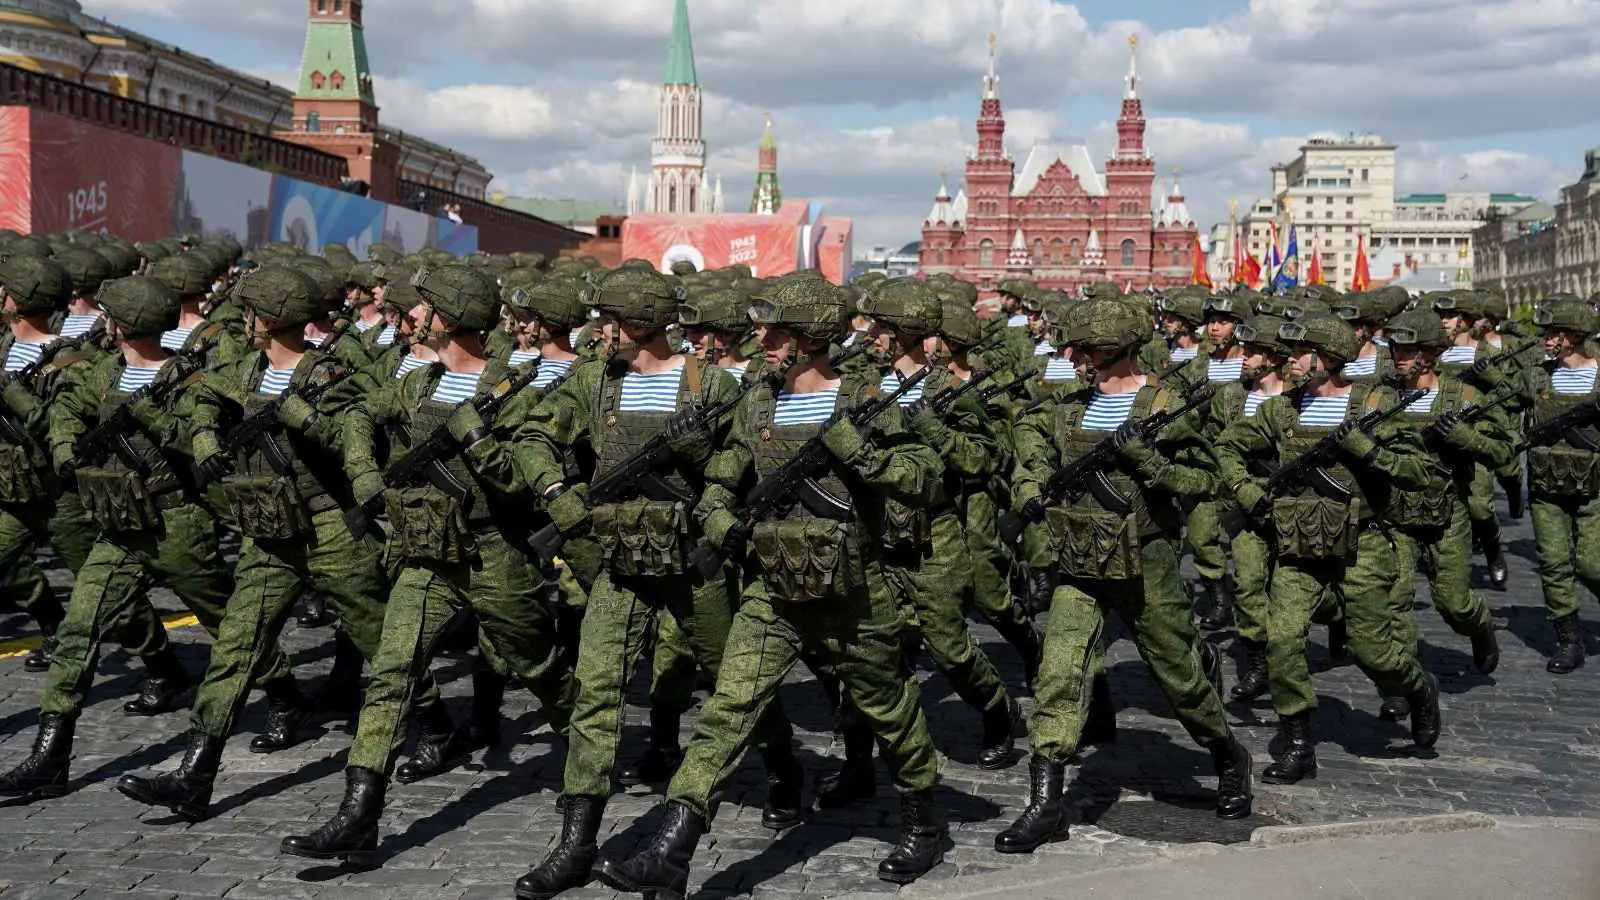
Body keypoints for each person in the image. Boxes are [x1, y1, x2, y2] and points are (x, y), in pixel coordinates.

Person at [589, 273, 949, 898]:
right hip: (772, 590)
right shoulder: (758, 398)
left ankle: (923, 820)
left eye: (775, 330)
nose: (761, 339)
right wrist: (723, 521)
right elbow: (724, 480)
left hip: (853, 592)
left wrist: (860, 456)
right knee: (728, 710)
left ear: (810, 338)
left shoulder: (867, 396)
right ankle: (671, 850)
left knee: (886, 707)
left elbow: (925, 478)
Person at [510, 267, 800, 900]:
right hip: (620, 565)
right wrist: (555, 490)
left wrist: (705, 466)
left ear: (636, 323)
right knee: (594, 695)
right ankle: (576, 843)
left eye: (607, 321)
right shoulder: (594, 381)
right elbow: (533, 434)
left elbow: (751, 460)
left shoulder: (712, 385)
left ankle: (781, 766)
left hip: (692, 567)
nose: (597, 332)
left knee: (736, 680)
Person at [280, 264, 575, 867]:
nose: (416, 316)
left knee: (539, 666)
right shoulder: (424, 382)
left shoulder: (516, 388)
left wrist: (478, 442)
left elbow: (519, 475)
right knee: (391, 672)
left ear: (452, 318)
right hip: (427, 552)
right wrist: (363, 471)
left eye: (427, 309)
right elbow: (360, 413)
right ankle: (359, 813)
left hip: (494, 554)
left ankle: (588, 743)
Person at [113, 265, 393, 821]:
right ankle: (196, 772)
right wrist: (203, 433)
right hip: (270, 531)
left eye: (250, 312)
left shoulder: (332, 374)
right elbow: (202, 399)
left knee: (380, 642)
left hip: (329, 526)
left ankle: (432, 722)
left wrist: (299, 413)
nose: (244, 320)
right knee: (237, 645)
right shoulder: (243, 367)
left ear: (268, 318)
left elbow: (353, 441)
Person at [1, 274, 295, 802]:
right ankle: (50, 757)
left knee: (227, 624)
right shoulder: (105, 372)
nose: (104, 322)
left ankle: (283, 692)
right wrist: (67, 447)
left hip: (176, 525)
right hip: (119, 528)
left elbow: (194, 440)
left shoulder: (188, 380)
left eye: (112, 315)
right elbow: (66, 411)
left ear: (125, 322)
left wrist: (149, 413)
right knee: (78, 633)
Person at [998, 297, 1250, 856]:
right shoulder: (1068, 408)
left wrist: (1150, 464)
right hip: (1079, 560)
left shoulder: (1166, 406)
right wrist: (1030, 489)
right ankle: (1043, 802)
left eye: (1086, 350)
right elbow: (1030, 455)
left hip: (1147, 564)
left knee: (1179, 675)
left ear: (1115, 350)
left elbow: (1206, 480)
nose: (1074, 359)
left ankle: (1227, 754)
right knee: (1061, 670)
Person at [1216, 314, 1441, 784]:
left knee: (1371, 648)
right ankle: (1298, 743)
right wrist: (1246, 490)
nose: (1290, 362)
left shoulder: (1376, 404)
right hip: (1299, 543)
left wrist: (1369, 451)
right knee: (1282, 638)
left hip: (1363, 542)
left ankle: (1418, 689)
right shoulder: (1282, 410)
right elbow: (1228, 447)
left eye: (1300, 354)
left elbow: (1420, 472)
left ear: (1328, 359)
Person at [1380, 307, 1504, 680]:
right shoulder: (1381, 398)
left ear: (1429, 354)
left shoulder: (1462, 396)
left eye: (1407, 352)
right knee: (1395, 598)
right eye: (1395, 351)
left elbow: (1503, 449)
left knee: (1453, 603)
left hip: (1449, 512)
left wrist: (1464, 437)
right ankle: (1405, 682)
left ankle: (1480, 625)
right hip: (1395, 512)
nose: (1398, 359)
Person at [1203, 313, 1291, 702]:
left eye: (1254, 351)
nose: (1245, 356)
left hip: (1295, 506)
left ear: (1274, 357)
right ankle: (1258, 662)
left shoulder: (1300, 398)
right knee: (1249, 583)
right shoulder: (1231, 397)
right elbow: (1215, 444)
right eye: (1245, 349)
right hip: (1246, 504)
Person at [1522, 296, 1600, 674]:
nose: (1547, 340)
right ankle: (1569, 639)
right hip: (1546, 486)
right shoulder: (1538, 374)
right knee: (1553, 563)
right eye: (1547, 334)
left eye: (1555, 334)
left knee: (1592, 565)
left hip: (1595, 488)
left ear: (1575, 336)